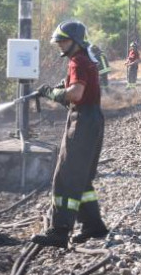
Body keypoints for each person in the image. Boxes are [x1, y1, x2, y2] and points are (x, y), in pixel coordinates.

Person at [33, 20, 108, 248]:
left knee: (65, 177)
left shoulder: (77, 61)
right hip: (93, 119)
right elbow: (82, 90)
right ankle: (93, 225)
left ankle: (59, 231)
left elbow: (76, 94)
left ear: (74, 41)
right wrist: (60, 89)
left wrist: (53, 93)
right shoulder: (87, 58)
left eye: (62, 41)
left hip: (82, 121)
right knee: (82, 177)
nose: (59, 45)